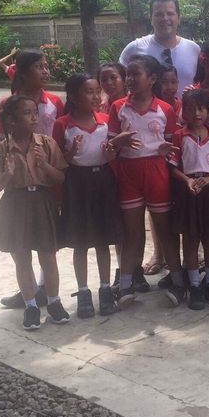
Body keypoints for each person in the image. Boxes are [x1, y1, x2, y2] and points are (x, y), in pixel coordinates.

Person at [0, 49, 65, 311]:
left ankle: (44, 292)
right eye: (39, 67)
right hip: (20, 177)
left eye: (46, 66)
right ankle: (30, 297)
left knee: (46, 242)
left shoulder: (54, 102)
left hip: (47, 173)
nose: (45, 71)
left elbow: (62, 136)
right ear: (23, 72)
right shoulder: (10, 105)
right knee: (22, 242)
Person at [0, 96, 70, 330]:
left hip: (42, 200)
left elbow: (61, 177)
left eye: (35, 112)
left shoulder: (46, 143)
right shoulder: (2, 150)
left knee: (48, 255)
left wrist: (45, 166)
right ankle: (31, 305)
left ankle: (54, 302)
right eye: (27, 113)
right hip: (14, 203)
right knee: (22, 257)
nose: (34, 117)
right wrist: (8, 174)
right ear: (12, 119)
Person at [107, 55, 183, 309]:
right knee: (133, 233)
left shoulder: (166, 109)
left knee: (165, 230)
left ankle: (179, 282)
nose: (129, 79)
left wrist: (163, 149)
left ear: (152, 79)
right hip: (128, 172)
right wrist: (119, 142)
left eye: (135, 74)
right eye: (127, 74)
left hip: (157, 172)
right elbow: (109, 146)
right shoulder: (118, 107)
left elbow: (172, 146)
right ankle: (126, 284)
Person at [53, 74, 123, 318]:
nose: (96, 96)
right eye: (88, 92)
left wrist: (111, 153)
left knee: (103, 239)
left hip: (103, 181)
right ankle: (84, 292)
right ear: (73, 97)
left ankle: (105, 291)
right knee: (81, 241)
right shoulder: (63, 123)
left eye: (97, 91)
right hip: (77, 184)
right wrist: (71, 153)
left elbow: (112, 156)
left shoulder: (105, 120)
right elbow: (59, 161)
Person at [167, 88, 209, 310]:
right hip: (189, 192)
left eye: (201, 108)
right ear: (183, 111)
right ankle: (194, 286)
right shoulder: (179, 135)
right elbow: (173, 167)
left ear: (208, 111)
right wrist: (186, 180)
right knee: (191, 240)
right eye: (191, 108)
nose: (196, 113)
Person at [119, 0, 200, 95]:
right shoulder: (135, 48)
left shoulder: (193, 49)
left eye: (170, 13)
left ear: (178, 18)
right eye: (158, 14)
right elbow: (117, 80)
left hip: (186, 110)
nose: (165, 18)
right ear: (151, 19)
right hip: (147, 110)